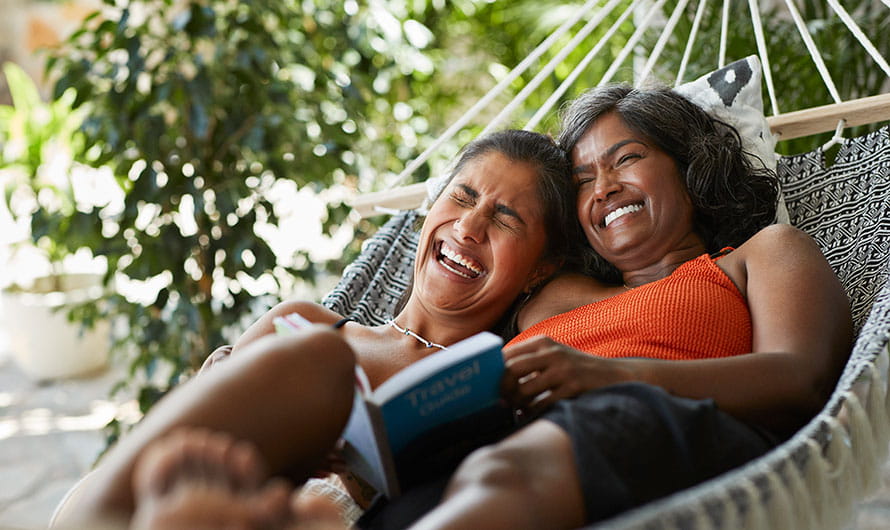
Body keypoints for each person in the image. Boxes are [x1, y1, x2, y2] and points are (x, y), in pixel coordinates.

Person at [50, 128, 585, 529]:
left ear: (542, 267)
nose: (469, 227)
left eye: (506, 218)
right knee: (316, 356)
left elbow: (648, 288)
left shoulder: (498, 383)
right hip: (161, 499)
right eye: (463, 197)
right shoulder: (302, 323)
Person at [385, 84, 853, 529]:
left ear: (691, 168)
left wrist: (614, 376)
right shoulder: (544, 297)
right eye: (583, 181)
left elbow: (801, 380)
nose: (603, 189)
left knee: (510, 470)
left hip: (668, 448)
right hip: (503, 464)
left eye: (626, 159)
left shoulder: (761, 255)